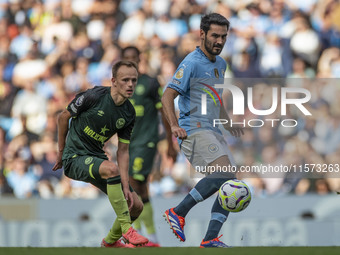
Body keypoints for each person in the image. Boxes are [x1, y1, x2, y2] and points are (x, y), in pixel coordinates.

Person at [161, 13, 244, 248]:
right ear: (202, 34)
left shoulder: (221, 64)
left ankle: (210, 238)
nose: (219, 41)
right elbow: (167, 95)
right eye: (215, 36)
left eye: (224, 37)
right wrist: (174, 125)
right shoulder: (191, 63)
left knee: (229, 182)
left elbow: (214, 98)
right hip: (192, 129)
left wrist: (227, 122)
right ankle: (178, 211)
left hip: (211, 129)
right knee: (225, 175)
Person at [52, 60, 149, 248]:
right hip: (74, 157)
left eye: (134, 80)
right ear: (113, 80)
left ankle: (110, 242)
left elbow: (123, 150)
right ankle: (127, 230)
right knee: (111, 169)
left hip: (96, 158)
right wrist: (61, 153)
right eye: (125, 80)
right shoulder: (94, 96)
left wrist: (126, 186)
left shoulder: (129, 112)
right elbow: (63, 116)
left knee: (136, 205)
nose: (130, 85)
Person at [121, 46, 177, 247]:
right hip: (127, 144)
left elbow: (164, 112)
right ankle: (151, 236)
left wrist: (171, 142)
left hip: (146, 141)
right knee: (142, 190)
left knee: (133, 184)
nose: (130, 62)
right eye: (126, 59)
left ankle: (132, 233)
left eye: (133, 58)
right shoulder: (118, 86)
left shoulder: (150, 83)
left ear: (139, 59)